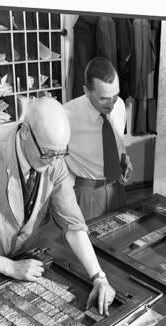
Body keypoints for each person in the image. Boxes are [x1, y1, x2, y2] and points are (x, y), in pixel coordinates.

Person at [0, 97, 115, 315]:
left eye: (60, 154)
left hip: (26, 263)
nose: (52, 161)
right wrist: (11, 267)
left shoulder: (54, 159)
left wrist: (99, 277)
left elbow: (72, 223)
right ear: (26, 132)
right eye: (47, 153)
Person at [64, 56, 133, 220]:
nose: (111, 104)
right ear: (87, 91)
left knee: (119, 241)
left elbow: (118, 145)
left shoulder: (120, 106)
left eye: (115, 95)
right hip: (87, 194)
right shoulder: (67, 115)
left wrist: (125, 163)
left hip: (118, 190)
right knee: (88, 244)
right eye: (103, 98)